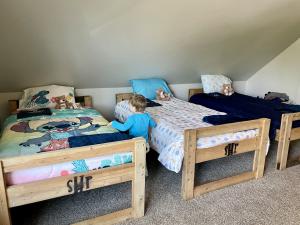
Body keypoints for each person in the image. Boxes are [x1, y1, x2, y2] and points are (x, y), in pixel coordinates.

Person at [111, 94, 157, 175]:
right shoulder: (147, 116)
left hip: (134, 142)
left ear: (134, 108)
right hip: (144, 143)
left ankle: (131, 170)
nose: (129, 107)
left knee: (134, 156)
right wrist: (150, 120)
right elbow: (154, 124)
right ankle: (144, 171)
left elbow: (123, 128)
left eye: (130, 105)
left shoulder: (132, 118)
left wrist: (113, 123)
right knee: (142, 157)